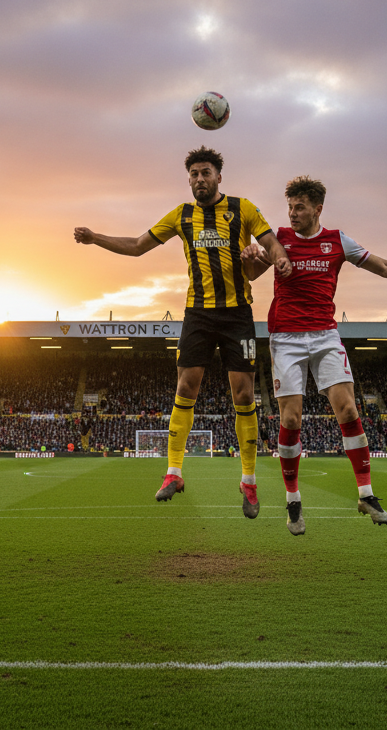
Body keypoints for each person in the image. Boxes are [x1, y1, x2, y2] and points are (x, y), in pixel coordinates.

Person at [75, 146, 291, 514]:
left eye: (206, 173)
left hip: (238, 313)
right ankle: (173, 472)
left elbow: (271, 243)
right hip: (198, 314)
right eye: (193, 174)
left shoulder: (244, 208)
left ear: (219, 176)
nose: (199, 179)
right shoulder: (182, 215)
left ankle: (249, 482)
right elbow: (138, 246)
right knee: (185, 386)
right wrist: (97, 238)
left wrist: (275, 257)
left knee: (243, 396)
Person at [242, 175, 387, 535]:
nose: (293, 213)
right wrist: (249, 256)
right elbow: (250, 275)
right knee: (292, 419)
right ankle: (293, 501)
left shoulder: (337, 241)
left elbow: (385, 267)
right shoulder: (278, 238)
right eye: (290, 207)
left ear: (317, 209)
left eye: (300, 207)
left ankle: (366, 494)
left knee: (348, 409)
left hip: (326, 335)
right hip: (286, 338)